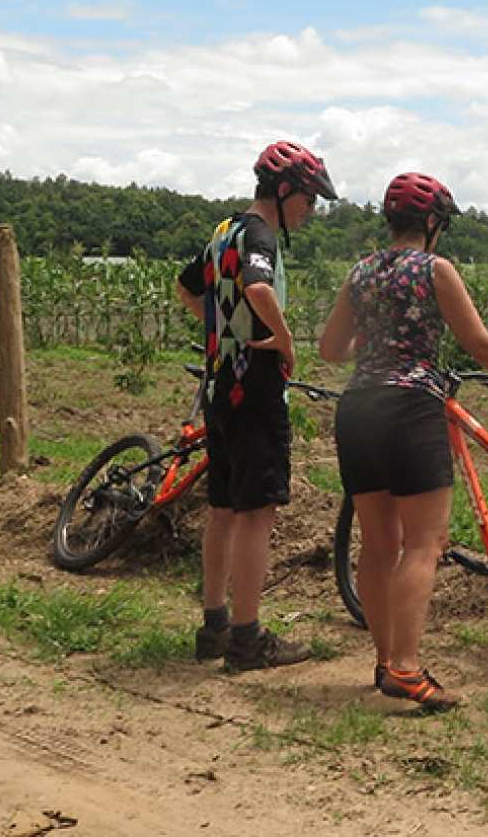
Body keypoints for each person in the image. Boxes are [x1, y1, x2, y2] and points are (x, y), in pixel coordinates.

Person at [319, 172, 488, 710]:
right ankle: (408, 670)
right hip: (409, 408)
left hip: (358, 406)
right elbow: (477, 341)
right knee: (424, 544)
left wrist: (374, 350)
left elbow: (329, 348)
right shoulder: (435, 269)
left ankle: (386, 661)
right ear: (433, 223)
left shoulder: (360, 272)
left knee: (378, 542)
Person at [177, 140, 337, 672]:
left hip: (221, 385)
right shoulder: (262, 235)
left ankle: (215, 626)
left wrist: (223, 330)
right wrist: (284, 339)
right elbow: (259, 288)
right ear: (284, 189)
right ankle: (248, 639)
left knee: (223, 509)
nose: (310, 210)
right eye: (309, 199)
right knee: (256, 513)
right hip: (257, 390)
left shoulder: (226, 229)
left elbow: (186, 288)